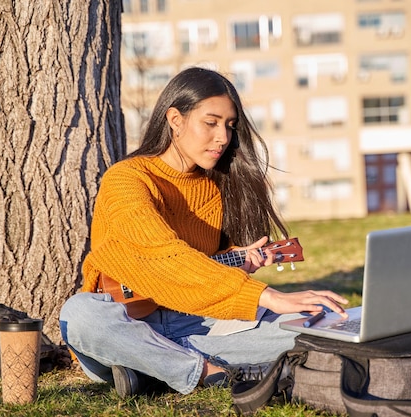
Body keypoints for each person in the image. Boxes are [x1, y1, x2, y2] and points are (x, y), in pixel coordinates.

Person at [59, 67, 348, 397]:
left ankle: (152, 366)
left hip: (197, 320)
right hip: (128, 322)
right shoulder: (127, 179)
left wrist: (240, 262)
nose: (223, 137)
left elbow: (208, 272)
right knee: (80, 315)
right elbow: (163, 255)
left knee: (320, 322)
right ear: (175, 120)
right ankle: (200, 369)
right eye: (211, 123)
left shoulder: (219, 188)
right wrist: (266, 295)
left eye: (229, 125)